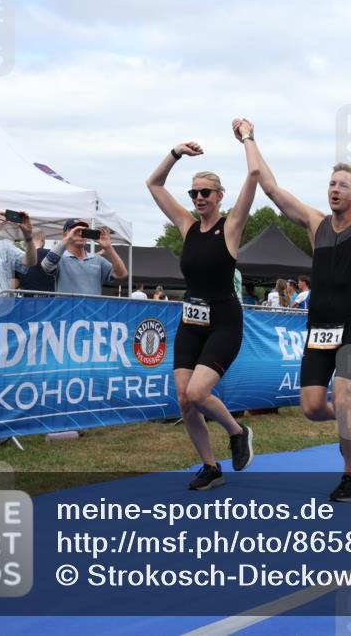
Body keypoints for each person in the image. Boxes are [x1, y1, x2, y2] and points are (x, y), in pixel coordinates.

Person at [242, 110, 351, 501]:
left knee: (344, 396)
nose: (335, 189)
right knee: (310, 406)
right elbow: (270, 187)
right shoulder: (313, 222)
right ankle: (348, 419)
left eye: (343, 185)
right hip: (318, 333)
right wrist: (249, 140)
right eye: (331, 183)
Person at [145, 119, 258, 490]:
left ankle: (238, 431)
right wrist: (176, 152)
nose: (198, 199)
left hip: (225, 321)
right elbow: (154, 184)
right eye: (194, 193)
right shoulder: (186, 225)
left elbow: (254, 173)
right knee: (184, 399)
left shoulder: (231, 226)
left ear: (219, 196)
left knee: (198, 391)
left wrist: (247, 138)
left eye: (206, 193)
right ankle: (211, 468)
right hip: (191, 321)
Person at [40, 220, 128, 295]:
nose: (80, 233)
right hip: (68, 313)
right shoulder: (60, 258)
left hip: (92, 313)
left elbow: (122, 274)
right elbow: (46, 266)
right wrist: (67, 239)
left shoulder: (97, 260)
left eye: (83, 231)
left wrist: (108, 247)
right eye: (75, 230)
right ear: (65, 235)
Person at [15, 228, 56, 295]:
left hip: (27, 302)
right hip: (50, 301)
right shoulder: (51, 255)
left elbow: (15, 284)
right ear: (42, 240)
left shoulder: (20, 259)